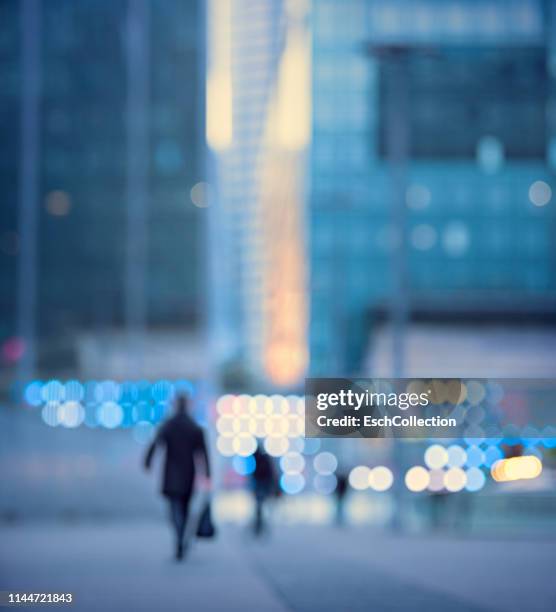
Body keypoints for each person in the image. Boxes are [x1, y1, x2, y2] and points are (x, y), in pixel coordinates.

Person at [144, 394, 211, 560]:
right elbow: (203, 452)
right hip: (189, 474)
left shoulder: (169, 424)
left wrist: (148, 462)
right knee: (185, 508)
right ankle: (182, 537)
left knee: (174, 509)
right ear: (187, 405)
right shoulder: (194, 426)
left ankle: (179, 536)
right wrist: (207, 473)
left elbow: (155, 443)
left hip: (171, 474)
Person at [250, 445, 278, 536]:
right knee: (260, 507)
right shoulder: (262, 459)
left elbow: (264, 474)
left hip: (261, 486)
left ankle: (259, 526)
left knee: (259, 507)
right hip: (262, 486)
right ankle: (259, 525)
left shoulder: (260, 460)